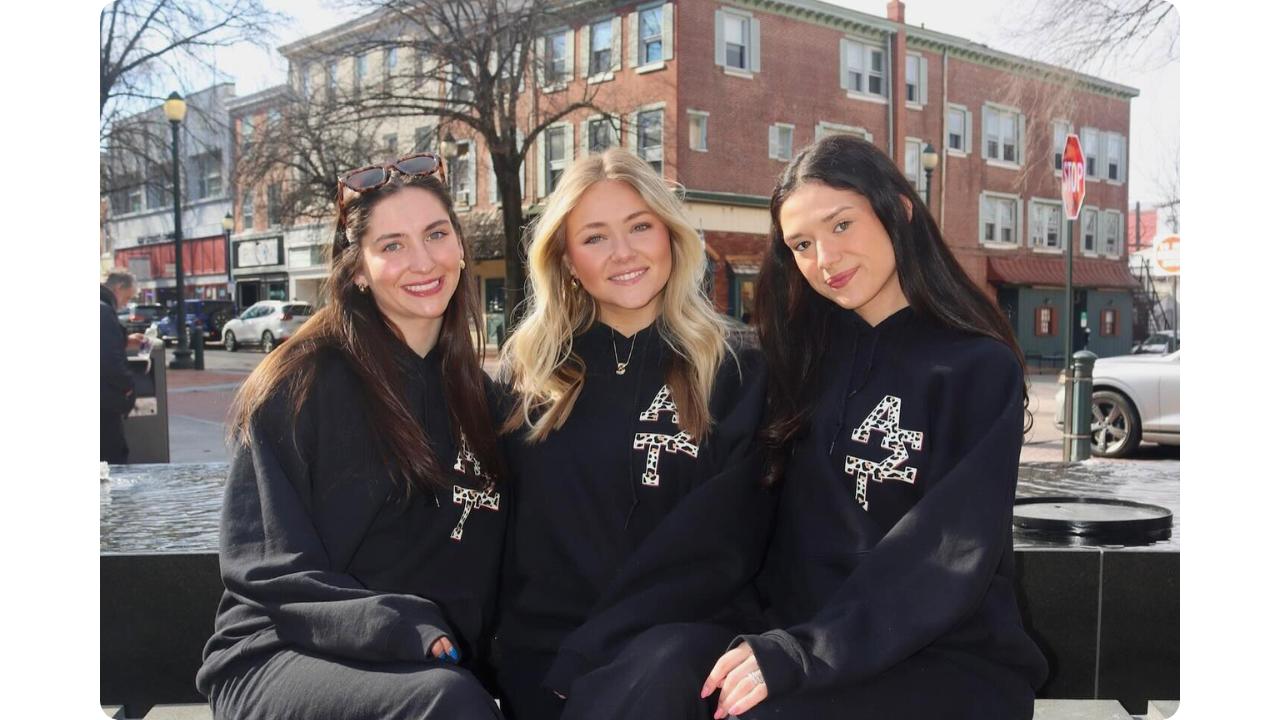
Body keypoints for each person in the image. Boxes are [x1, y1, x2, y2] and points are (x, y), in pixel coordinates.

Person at [702, 135, 1048, 720]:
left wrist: (802, 652)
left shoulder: (976, 368)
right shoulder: (795, 363)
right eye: (802, 244)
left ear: (899, 211)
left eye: (841, 226)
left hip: (948, 658)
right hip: (804, 639)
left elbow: (945, 548)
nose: (825, 260)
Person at [196, 154, 507, 720]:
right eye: (391, 245)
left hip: (420, 665)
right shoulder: (299, 385)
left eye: (436, 234)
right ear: (359, 270)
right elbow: (267, 569)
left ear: (460, 247)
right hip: (280, 652)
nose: (422, 260)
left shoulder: (482, 401)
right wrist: (395, 623)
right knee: (447, 703)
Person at [494, 148, 773, 720]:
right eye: (594, 237)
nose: (623, 252)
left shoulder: (737, 371)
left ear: (670, 235)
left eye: (640, 226)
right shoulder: (529, 380)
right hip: (547, 661)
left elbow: (723, 547)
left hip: (674, 656)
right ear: (567, 260)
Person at [100, 269, 143, 463]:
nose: (125, 304)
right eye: (127, 298)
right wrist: (126, 386)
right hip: (106, 402)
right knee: (113, 458)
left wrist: (124, 340)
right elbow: (107, 357)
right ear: (118, 288)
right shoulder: (104, 310)